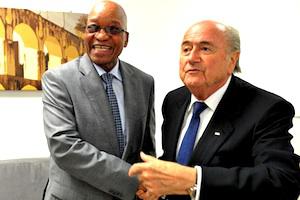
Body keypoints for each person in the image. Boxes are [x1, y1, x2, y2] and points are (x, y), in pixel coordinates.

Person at [129, 20, 300, 200]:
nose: (192, 58)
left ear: (232, 60)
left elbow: (282, 180)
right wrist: (156, 183)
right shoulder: (174, 101)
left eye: (205, 49)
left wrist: (195, 179)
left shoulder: (266, 109)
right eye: (186, 49)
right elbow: (179, 160)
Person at [42, 1, 155, 199]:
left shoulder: (144, 82)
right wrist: (134, 181)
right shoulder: (58, 79)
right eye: (93, 28)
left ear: (125, 38)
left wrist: (151, 184)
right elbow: (65, 147)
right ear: (84, 33)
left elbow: (146, 148)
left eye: (113, 29)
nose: (102, 36)